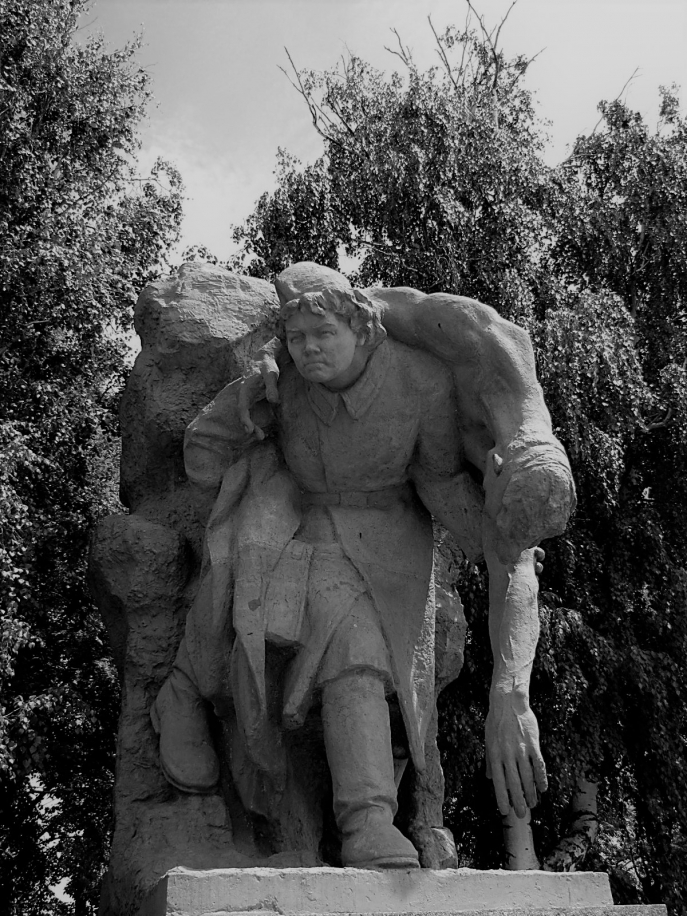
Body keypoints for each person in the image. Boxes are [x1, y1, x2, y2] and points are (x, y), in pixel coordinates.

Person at [151, 262, 574, 869]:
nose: (309, 350)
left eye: (323, 335)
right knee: (242, 557)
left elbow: (437, 481)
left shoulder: (419, 382)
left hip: (388, 533)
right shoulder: (283, 379)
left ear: (363, 327)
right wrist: (248, 399)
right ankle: (183, 691)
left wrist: (489, 524)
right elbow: (202, 459)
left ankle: (369, 819)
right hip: (296, 510)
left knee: (357, 634)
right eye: (297, 339)